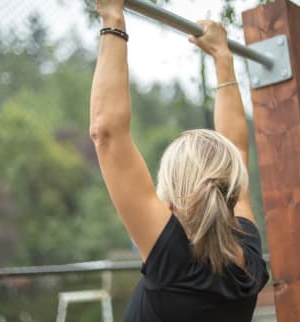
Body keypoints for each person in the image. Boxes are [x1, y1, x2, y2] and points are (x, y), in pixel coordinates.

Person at [90, 1, 269, 321]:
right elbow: (237, 148)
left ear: (171, 199)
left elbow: (107, 133)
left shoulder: (174, 263)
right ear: (231, 186)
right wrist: (223, 57)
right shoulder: (248, 262)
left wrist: (113, 16)